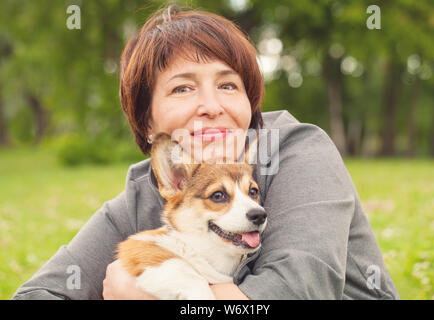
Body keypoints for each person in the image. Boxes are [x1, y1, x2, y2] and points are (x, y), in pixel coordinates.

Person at [12, 5, 399, 300]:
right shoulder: (146, 190)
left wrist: (142, 294)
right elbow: (41, 293)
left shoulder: (298, 152)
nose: (212, 105)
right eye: (183, 88)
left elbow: (296, 290)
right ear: (147, 122)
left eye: (228, 85)